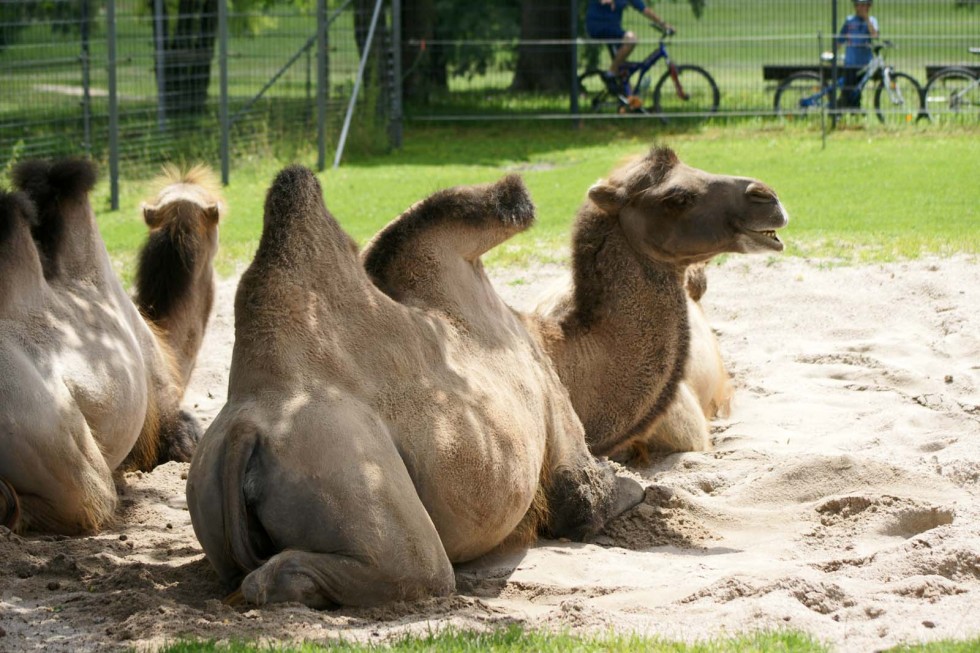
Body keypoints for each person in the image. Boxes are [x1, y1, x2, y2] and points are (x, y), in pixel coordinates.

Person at [586, 0, 674, 95]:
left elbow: (644, 9)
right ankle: (611, 73)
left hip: (614, 30)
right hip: (598, 27)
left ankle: (629, 101)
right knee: (631, 39)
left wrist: (663, 24)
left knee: (623, 69)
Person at [836, 0, 879, 109]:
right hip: (851, 62)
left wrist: (867, 19)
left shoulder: (872, 21)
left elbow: (874, 35)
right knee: (848, 90)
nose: (862, 8)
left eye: (865, 5)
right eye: (860, 5)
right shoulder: (849, 21)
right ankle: (844, 109)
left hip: (865, 63)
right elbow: (840, 40)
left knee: (858, 89)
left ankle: (855, 110)